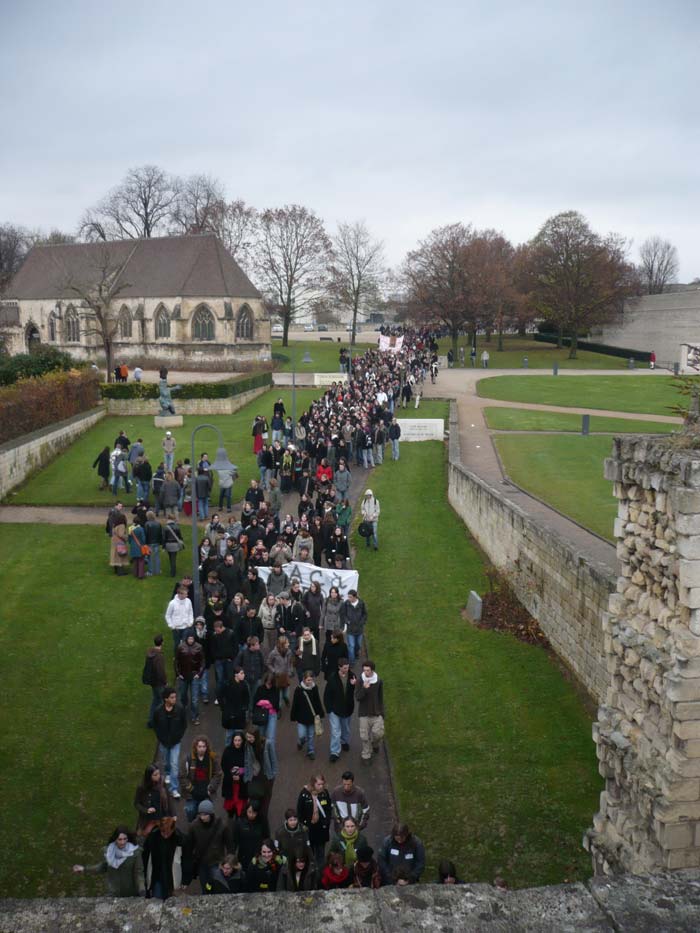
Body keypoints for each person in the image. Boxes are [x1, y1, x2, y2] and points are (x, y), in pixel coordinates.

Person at [72, 826, 145, 897]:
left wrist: (142, 890)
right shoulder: (109, 852)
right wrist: (84, 869)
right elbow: (102, 867)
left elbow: (139, 873)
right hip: (113, 893)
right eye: (119, 839)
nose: (122, 842)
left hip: (130, 894)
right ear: (115, 839)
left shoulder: (135, 853)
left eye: (125, 839)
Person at [182, 799, 231, 893]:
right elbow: (189, 847)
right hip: (202, 863)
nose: (202, 817)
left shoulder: (222, 825)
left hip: (217, 862)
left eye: (205, 814)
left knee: (218, 886)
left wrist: (229, 861)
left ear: (211, 814)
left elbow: (229, 844)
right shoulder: (194, 827)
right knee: (205, 887)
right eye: (201, 814)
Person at [153, 686, 187, 799]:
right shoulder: (158, 711)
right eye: (172, 697)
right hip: (163, 742)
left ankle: (174, 789)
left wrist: (179, 736)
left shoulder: (180, 709)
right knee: (166, 762)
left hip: (175, 742)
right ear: (165, 699)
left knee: (174, 764)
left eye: (175, 697)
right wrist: (160, 737)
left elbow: (184, 724)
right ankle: (167, 773)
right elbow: (155, 726)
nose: (174, 699)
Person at [142, 816, 185, 900]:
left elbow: (186, 859)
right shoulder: (153, 837)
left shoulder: (180, 839)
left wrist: (185, 879)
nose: (165, 836)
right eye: (163, 833)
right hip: (157, 875)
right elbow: (145, 856)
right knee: (157, 898)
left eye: (168, 833)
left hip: (172, 876)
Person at [181, 735, 222, 823]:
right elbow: (182, 777)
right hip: (192, 794)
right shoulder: (188, 759)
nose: (202, 749)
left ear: (207, 747)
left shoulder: (212, 758)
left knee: (207, 816)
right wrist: (191, 789)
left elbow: (218, 775)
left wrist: (211, 787)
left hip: (207, 794)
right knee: (190, 811)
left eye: (204, 746)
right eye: (199, 746)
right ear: (195, 747)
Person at [297, 773, 333, 869]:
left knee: (321, 854)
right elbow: (299, 811)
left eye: (322, 784)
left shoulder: (325, 793)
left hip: (321, 829)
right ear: (313, 784)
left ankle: (320, 874)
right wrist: (303, 826)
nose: (321, 786)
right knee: (310, 853)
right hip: (309, 829)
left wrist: (327, 822)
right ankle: (311, 872)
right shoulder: (304, 794)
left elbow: (329, 809)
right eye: (318, 784)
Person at [324, 659, 356, 762]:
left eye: (348, 667)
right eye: (345, 668)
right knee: (335, 731)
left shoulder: (352, 676)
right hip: (334, 709)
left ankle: (344, 741)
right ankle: (335, 752)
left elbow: (353, 692)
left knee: (345, 728)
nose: (347, 669)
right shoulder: (332, 678)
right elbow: (327, 695)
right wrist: (329, 709)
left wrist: (353, 685)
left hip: (347, 708)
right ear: (339, 667)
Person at [355, 660, 384, 764]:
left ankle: (375, 744)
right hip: (364, 714)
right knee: (364, 736)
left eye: (368, 670)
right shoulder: (360, 681)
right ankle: (366, 755)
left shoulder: (379, 681)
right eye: (364, 670)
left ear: (372, 670)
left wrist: (382, 713)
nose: (366, 672)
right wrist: (364, 689)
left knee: (378, 734)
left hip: (376, 713)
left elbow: (380, 697)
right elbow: (358, 697)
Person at [291, 670, 325, 760]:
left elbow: (317, 701)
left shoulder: (315, 688)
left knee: (310, 735)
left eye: (311, 680)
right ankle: (300, 742)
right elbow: (295, 703)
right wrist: (293, 716)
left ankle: (311, 751)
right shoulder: (298, 689)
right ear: (304, 679)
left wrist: (320, 713)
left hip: (312, 717)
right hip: (301, 717)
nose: (310, 682)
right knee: (302, 735)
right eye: (308, 680)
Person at [134, 764, 174, 839]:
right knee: (144, 835)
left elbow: (168, 798)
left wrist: (173, 815)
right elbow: (136, 803)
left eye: (159, 773)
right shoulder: (142, 788)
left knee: (164, 836)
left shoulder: (162, 783)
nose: (158, 776)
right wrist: (146, 810)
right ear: (149, 776)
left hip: (162, 817)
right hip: (149, 819)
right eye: (155, 775)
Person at [230, 799, 270, 871]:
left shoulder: (262, 822)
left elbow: (266, 838)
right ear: (246, 811)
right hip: (243, 857)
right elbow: (234, 841)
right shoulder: (240, 822)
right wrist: (231, 858)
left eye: (254, 812)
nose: (251, 815)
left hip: (258, 856)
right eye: (249, 812)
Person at [175, 629, 205, 725]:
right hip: (183, 676)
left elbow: (202, 662)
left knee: (195, 699)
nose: (191, 640)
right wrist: (178, 673)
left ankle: (195, 716)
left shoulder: (199, 647)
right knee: (183, 695)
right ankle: (184, 709)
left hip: (194, 676)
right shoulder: (181, 647)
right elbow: (176, 661)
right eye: (189, 638)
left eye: (192, 638)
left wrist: (199, 674)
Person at [220, 666, 250, 745]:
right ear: (236, 675)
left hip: (240, 713)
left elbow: (247, 697)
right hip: (230, 713)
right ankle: (228, 750)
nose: (243, 675)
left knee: (239, 735)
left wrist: (245, 707)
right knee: (229, 735)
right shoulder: (228, 684)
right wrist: (223, 707)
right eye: (241, 673)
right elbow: (219, 694)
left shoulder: (244, 684)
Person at [221, 730, 247, 818]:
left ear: (242, 741)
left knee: (240, 805)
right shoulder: (227, 751)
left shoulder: (246, 752)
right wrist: (232, 775)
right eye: (235, 740)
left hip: (242, 783)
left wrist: (241, 774)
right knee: (230, 804)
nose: (237, 743)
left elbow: (249, 766)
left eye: (239, 740)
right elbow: (224, 765)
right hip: (230, 782)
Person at [143, 634, 167, 729]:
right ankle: (159, 722)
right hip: (159, 683)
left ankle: (151, 721)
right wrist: (165, 682)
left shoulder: (150, 653)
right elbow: (160, 671)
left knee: (155, 700)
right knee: (161, 702)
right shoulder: (159, 656)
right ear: (162, 642)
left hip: (152, 681)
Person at [267, 634, 294, 709]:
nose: (288, 644)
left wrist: (290, 671)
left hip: (286, 676)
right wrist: (274, 671)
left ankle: (286, 700)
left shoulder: (289, 652)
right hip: (277, 676)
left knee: (285, 695)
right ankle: (279, 709)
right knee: (279, 695)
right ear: (282, 644)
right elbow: (268, 663)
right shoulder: (273, 653)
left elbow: (290, 663)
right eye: (287, 643)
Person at [341, 590, 367, 665]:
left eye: (350, 597)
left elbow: (365, 614)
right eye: (348, 597)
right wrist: (347, 621)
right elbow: (343, 614)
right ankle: (351, 662)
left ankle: (356, 654)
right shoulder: (346, 603)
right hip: (350, 630)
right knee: (351, 646)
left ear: (355, 597)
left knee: (358, 645)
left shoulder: (361, 603)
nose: (349, 598)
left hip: (359, 629)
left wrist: (362, 622)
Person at [165, 585, 193, 651]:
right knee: (177, 644)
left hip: (186, 627)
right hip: (176, 628)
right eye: (185, 594)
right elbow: (167, 615)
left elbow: (190, 612)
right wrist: (171, 626)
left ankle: (184, 657)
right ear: (180, 594)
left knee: (185, 643)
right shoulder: (172, 603)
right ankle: (176, 658)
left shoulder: (188, 601)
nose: (187, 595)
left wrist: (190, 622)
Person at [109, 507, 129, 576]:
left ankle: (116, 570)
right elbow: (121, 534)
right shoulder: (122, 525)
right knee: (120, 556)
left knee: (115, 556)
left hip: (114, 542)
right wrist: (127, 537)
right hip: (119, 543)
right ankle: (120, 572)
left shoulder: (115, 525)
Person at [144, 510, 163, 576]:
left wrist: (145, 543)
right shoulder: (158, 523)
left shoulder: (147, 524)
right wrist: (161, 542)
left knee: (150, 558)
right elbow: (161, 534)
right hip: (157, 542)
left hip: (149, 543)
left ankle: (150, 571)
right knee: (157, 557)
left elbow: (146, 534)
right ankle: (157, 570)